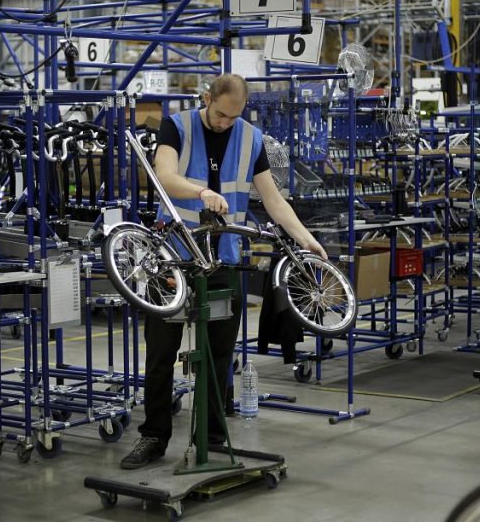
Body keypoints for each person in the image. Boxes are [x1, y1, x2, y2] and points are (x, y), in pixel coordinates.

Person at [120, 74, 327, 470]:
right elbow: (165, 177)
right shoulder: (177, 126)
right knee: (161, 352)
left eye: (234, 117)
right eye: (220, 115)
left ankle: (212, 437)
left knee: (218, 356)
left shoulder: (250, 138)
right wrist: (201, 192)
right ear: (206, 98)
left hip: (224, 260)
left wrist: (305, 238)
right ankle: (154, 436)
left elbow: (273, 200)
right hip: (173, 258)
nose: (225, 123)